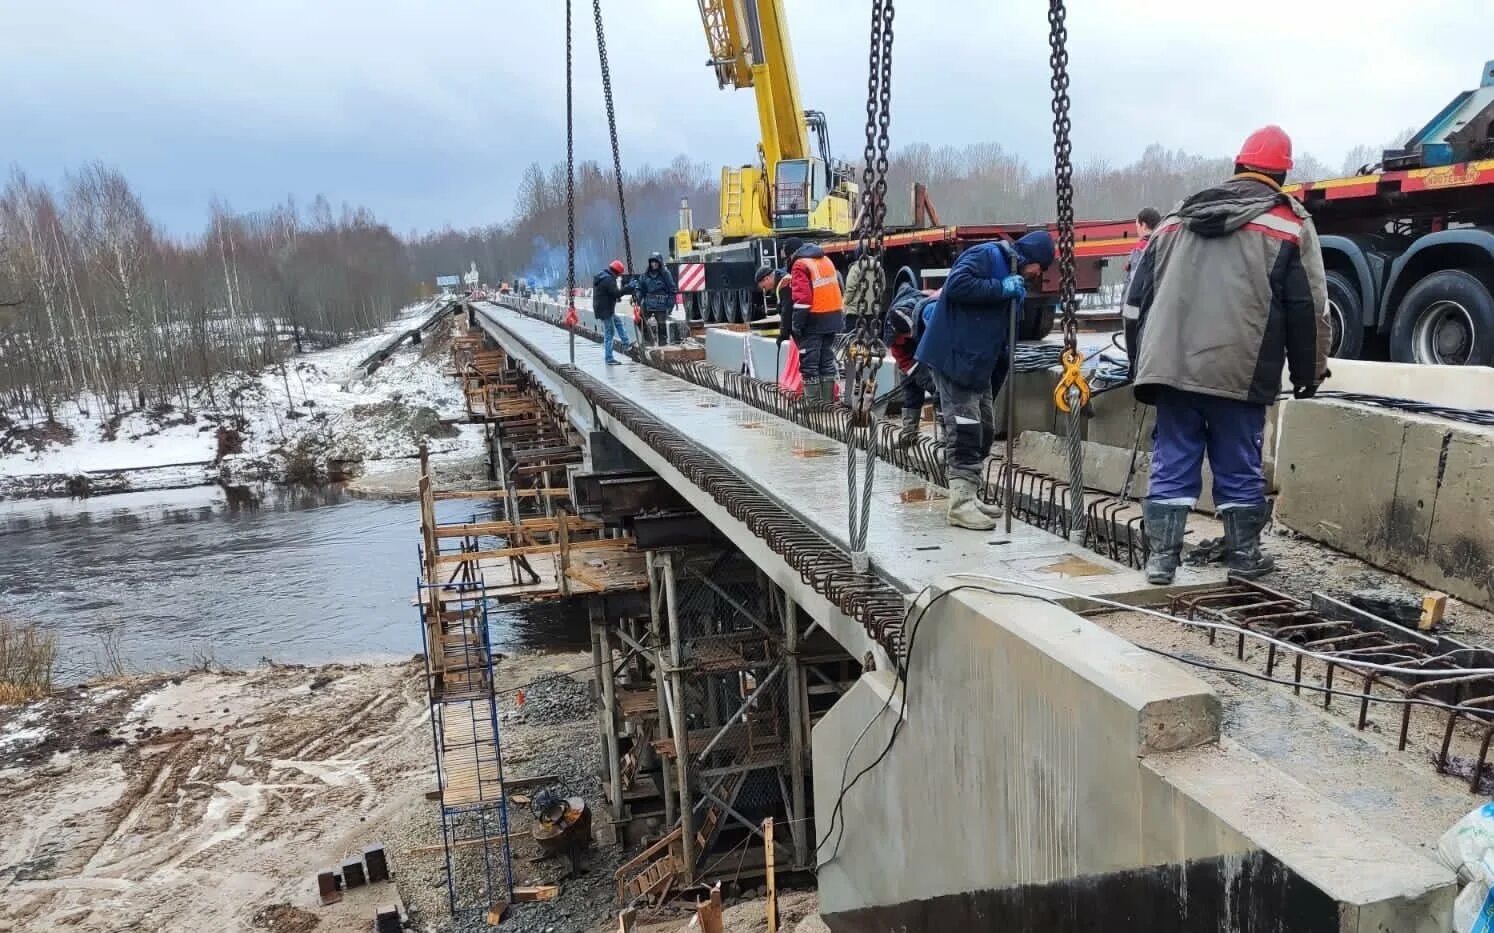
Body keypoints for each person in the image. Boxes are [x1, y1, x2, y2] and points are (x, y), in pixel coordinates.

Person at [1125, 125, 1330, 584]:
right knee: (1239, 464)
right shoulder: (1289, 224)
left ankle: (1161, 561)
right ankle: (1244, 554)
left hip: (1171, 368)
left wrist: (1142, 362)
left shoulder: (1176, 218)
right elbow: (1309, 310)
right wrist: (1308, 375)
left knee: (1172, 459)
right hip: (1241, 369)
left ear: (1238, 166)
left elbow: (1136, 301)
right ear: (1280, 175)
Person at [917, 231, 1054, 530]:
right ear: (1030, 257)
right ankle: (960, 504)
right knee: (965, 430)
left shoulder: (1013, 278)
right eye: (1040, 267)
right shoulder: (988, 256)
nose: (1039, 274)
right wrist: (999, 288)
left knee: (985, 429)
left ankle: (969, 492)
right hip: (956, 358)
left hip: (978, 366)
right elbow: (956, 285)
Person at [785, 238, 845, 403]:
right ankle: (827, 405)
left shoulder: (800, 265)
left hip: (814, 320)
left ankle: (813, 408)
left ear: (790, 255)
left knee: (810, 364)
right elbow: (839, 287)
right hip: (833, 317)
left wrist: (797, 325)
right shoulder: (825, 260)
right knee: (826, 362)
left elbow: (803, 300)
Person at [884, 282, 938, 444]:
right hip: (909, 358)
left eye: (910, 333)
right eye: (906, 334)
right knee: (911, 391)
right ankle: (909, 434)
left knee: (940, 393)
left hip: (930, 352)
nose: (909, 336)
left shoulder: (927, 310)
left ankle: (947, 441)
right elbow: (899, 355)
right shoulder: (893, 327)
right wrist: (914, 370)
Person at [592, 259, 635, 365]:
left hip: (605, 309)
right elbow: (616, 293)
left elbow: (610, 293)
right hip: (605, 311)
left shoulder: (604, 277)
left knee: (618, 322)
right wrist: (628, 288)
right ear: (617, 272)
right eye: (619, 274)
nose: (619, 276)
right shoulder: (608, 280)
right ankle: (609, 358)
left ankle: (626, 344)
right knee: (609, 333)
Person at [633, 252, 677, 346]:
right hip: (648, 303)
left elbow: (672, 289)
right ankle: (648, 340)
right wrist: (637, 296)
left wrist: (670, 304)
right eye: (652, 262)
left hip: (661, 304)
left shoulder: (665, 274)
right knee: (639, 320)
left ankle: (663, 344)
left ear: (660, 263)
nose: (654, 264)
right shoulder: (645, 275)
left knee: (661, 325)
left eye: (656, 262)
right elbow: (640, 287)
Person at [1121, 207, 1161, 306]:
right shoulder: (1163, 245)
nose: (1137, 230)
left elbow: (1134, 283)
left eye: (1137, 226)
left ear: (1143, 225)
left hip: (1140, 307)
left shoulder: (1140, 249)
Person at [842, 247, 883, 335]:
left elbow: (850, 289)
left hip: (855, 311)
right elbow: (882, 287)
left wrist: (845, 303)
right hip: (873, 310)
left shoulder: (855, 268)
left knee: (853, 339)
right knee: (871, 338)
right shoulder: (879, 269)